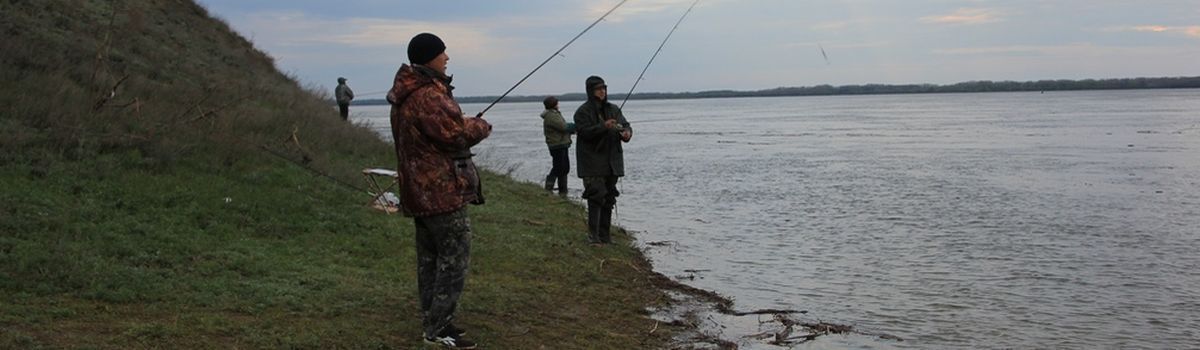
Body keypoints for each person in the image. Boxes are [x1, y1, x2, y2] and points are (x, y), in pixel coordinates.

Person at [386, 32, 491, 349]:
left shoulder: (408, 94)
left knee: (430, 260)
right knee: (453, 260)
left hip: (419, 192)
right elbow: (455, 135)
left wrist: (463, 122)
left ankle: (433, 322)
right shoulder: (428, 96)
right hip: (440, 192)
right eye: (443, 53)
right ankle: (439, 329)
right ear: (429, 57)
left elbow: (441, 131)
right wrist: (480, 126)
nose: (447, 58)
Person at [573, 76, 632, 244]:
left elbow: (626, 125)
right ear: (591, 91)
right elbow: (584, 132)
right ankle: (593, 236)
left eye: (604, 88)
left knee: (609, 197)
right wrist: (603, 126)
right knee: (596, 196)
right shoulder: (582, 112)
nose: (602, 91)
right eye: (598, 89)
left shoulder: (614, 109)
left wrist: (627, 133)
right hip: (592, 162)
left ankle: (605, 236)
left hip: (612, 162)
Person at [541, 96, 574, 197]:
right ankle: (551, 189)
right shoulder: (551, 116)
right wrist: (576, 126)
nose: (558, 105)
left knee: (564, 168)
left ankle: (563, 191)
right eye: (557, 103)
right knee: (559, 168)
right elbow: (563, 127)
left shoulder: (553, 114)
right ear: (554, 104)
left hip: (561, 144)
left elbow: (562, 126)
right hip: (557, 145)